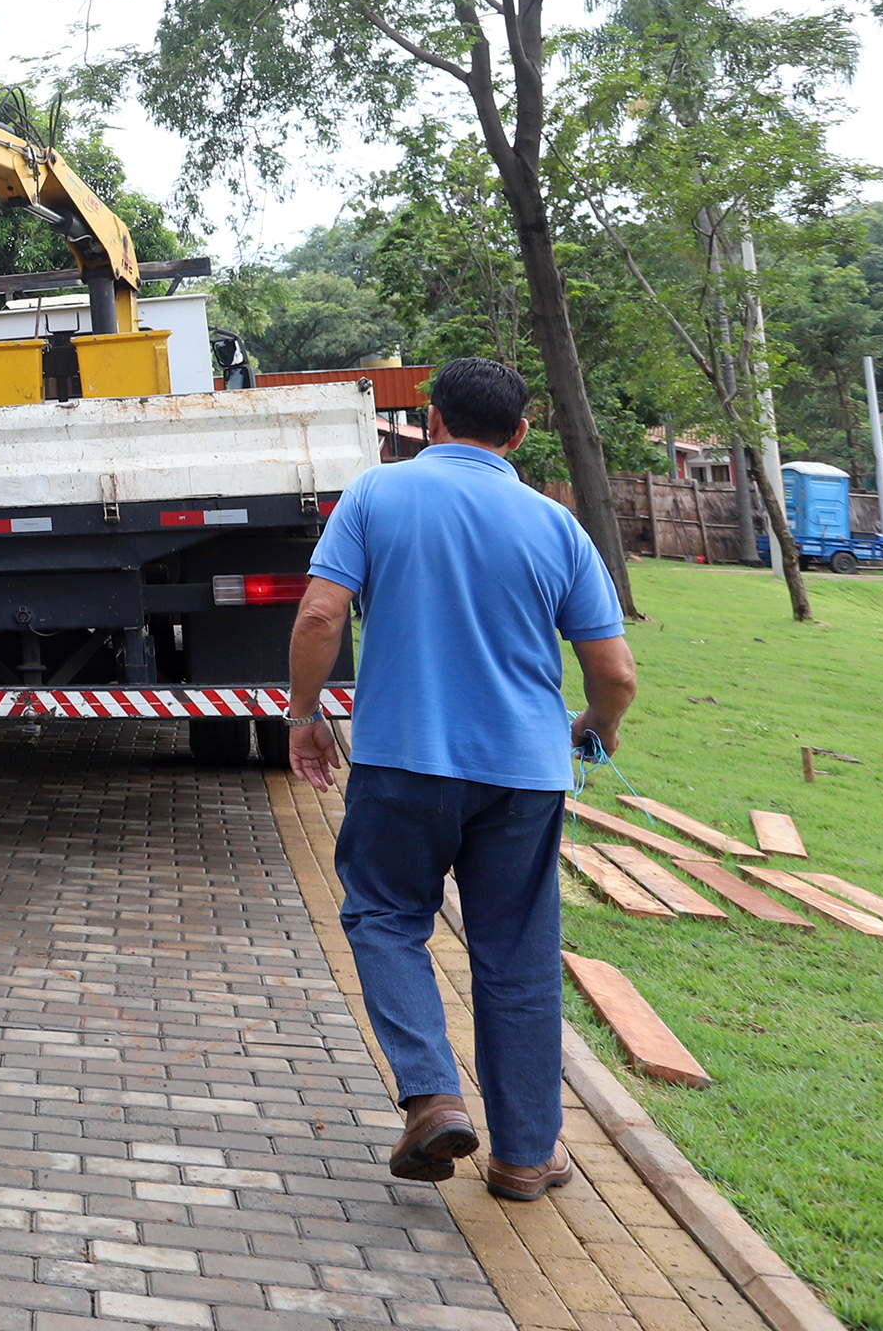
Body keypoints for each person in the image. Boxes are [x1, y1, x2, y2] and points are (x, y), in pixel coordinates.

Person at [284, 357, 635, 1204]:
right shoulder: (556, 526)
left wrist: (302, 717)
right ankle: (524, 1157)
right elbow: (615, 672)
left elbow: (321, 614)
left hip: (401, 763)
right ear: (520, 434)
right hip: (523, 773)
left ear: (431, 420)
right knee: (514, 956)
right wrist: (596, 730)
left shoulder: (375, 495)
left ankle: (432, 1095)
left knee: (384, 916)